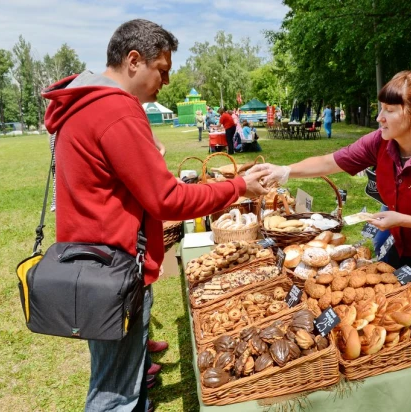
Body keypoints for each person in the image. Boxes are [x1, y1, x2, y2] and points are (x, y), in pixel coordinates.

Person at [42, 19, 269, 412]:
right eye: (161, 70)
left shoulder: (84, 102)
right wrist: (237, 188)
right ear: (134, 60)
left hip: (94, 263)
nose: (165, 82)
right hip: (111, 269)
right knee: (114, 394)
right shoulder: (114, 109)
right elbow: (166, 199)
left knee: (119, 375)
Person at [251, 70, 411, 389]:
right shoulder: (382, 143)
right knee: (398, 321)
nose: (379, 117)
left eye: (388, 110)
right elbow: (332, 161)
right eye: (380, 108)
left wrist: (401, 219)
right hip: (403, 250)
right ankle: (409, 390)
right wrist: (286, 170)